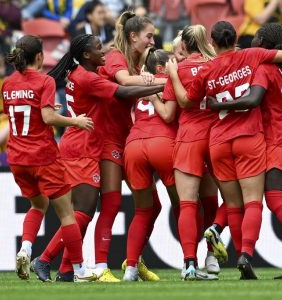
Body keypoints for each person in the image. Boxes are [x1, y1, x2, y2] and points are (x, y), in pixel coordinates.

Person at [167, 20, 282, 280]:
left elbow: (185, 101)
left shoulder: (207, 69)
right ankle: (244, 254)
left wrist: (172, 74)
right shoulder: (252, 55)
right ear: (236, 38)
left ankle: (191, 262)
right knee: (250, 203)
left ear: (213, 42)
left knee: (199, 203)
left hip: (213, 139)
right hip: (249, 136)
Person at [30, 34, 164, 283]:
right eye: (98, 49)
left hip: (83, 146)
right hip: (81, 148)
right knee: (82, 212)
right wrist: (162, 85)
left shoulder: (80, 73)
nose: (104, 53)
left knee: (83, 212)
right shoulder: (88, 78)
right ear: (85, 56)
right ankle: (45, 259)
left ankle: (67, 269)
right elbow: (123, 92)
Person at [207, 23, 282, 279]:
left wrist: (218, 103)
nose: (252, 40)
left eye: (257, 37)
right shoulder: (281, 67)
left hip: (277, 137)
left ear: (262, 42)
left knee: (274, 200)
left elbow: (253, 100)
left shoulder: (262, 68)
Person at [2, 34, 96, 282]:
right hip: (42, 156)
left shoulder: (7, 83)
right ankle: (80, 270)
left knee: (37, 205)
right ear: (40, 56)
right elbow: (47, 119)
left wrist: (43, 109)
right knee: (67, 214)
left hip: (16, 157)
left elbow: (21, 113)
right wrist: (74, 120)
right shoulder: (44, 81)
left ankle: (26, 248)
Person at [94, 11, 166, 282]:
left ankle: (133, 260)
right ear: (133, 36)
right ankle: (99, 267)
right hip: (106, 138)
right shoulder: (115, 57)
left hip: (126, 138)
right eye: (149, 36)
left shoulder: (139, 63)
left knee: (153, 205)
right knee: (109, 203)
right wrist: (165, 80)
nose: (152, 40)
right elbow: (123, 83)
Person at [162, 25, 223, 281]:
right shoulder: (217, 64)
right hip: (217, 137)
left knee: (187, 204)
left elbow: (170, 112)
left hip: (189, 137)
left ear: (183, 47)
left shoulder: (179, 69)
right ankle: (212, 254)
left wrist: (172, 74)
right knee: (224, 199)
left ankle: (189, 264)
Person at [122, 48, 178, 281]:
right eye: (171, 61)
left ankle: (131, 268)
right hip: (163, 142)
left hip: (134, 144)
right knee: (184, 206)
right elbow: (171, 115)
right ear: (161, 68)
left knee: (143, 210)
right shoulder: (170, 80)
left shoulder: (138, 82)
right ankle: (190, 263)